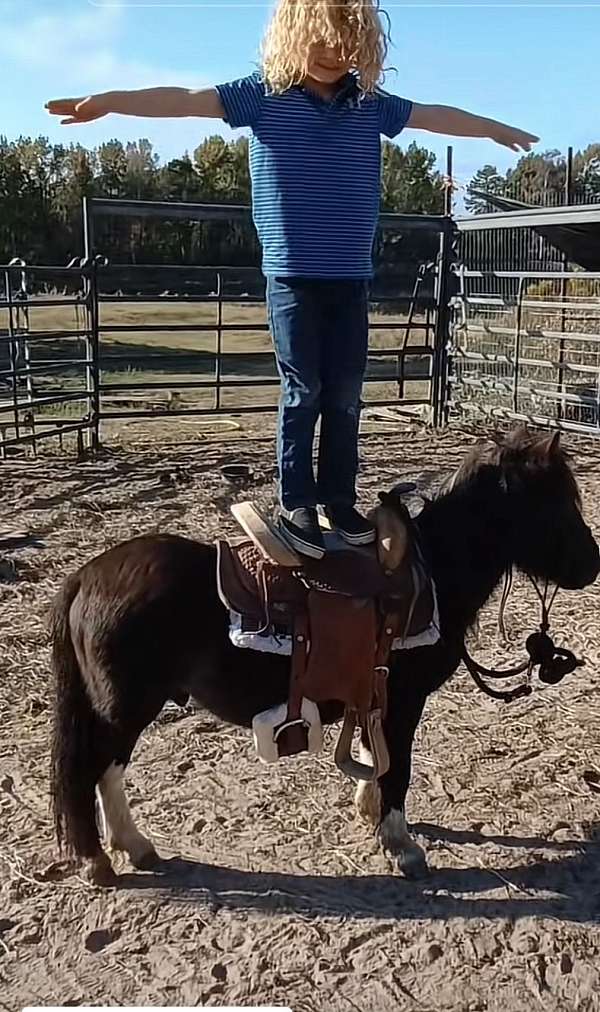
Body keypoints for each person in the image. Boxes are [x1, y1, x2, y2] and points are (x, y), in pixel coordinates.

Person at [46, 0, 538, 559]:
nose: (331, 51)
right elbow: (184, 101)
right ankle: (296, 501)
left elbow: (434, 115)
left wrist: (494, 128)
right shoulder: (262, 96)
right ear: (295, 36)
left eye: (344, 39)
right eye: (320, 38)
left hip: (351, 276)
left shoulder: (370, 105)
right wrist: (109, 103)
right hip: (294, 277)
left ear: (362, 45)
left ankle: (338, 499)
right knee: (304, 391)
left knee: (347, 393)